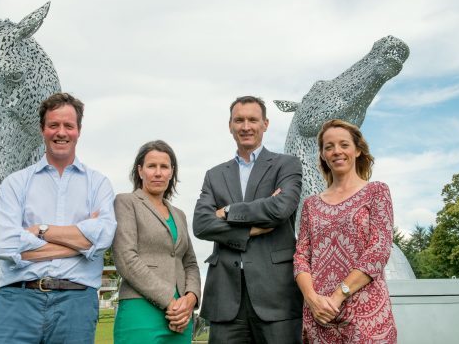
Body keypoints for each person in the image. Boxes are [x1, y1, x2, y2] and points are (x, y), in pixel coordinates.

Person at [0, 93, 117, 344]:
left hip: (75, 303)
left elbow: (103, 239)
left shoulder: (98, 184)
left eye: (69, 125)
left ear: (79, 130)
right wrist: (80, 242)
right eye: (53, 125)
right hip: (17, 302)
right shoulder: (15, 184)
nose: (61, 132)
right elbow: (4, 245)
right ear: (42, 129)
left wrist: (39, 230)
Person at [193, 95, 304, 343]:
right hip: (225, 297)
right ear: (230, 125)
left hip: (277, 297)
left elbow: (280, 208)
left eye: (252, 120)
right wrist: (249, 231)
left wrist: (228, 211)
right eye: (239, 120)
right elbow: (201, 224)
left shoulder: (286, 165)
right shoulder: (214, 175)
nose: (246, 126)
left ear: (265, 124)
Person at [293, 119, 397, 343]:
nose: (336, 151)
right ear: (322, 154)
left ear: (358, 150)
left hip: (365, 316)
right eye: (328, 147)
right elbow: (301, 256)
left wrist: (337, 296)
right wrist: (312, 299)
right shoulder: (310, 205)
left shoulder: (376, 192)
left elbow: (378, 250)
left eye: (343, 144)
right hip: (320, 316)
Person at [112, 140, 201, 344]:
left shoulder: (179, 215)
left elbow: (191, 263)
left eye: (164, 167)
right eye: (152, 166)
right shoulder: (126, 202)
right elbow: (126, 259)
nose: (158, 173)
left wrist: (190, 299)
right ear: (140, 171)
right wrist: (170, 302)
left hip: (181, 317)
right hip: (141, 310)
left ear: (172, 172)